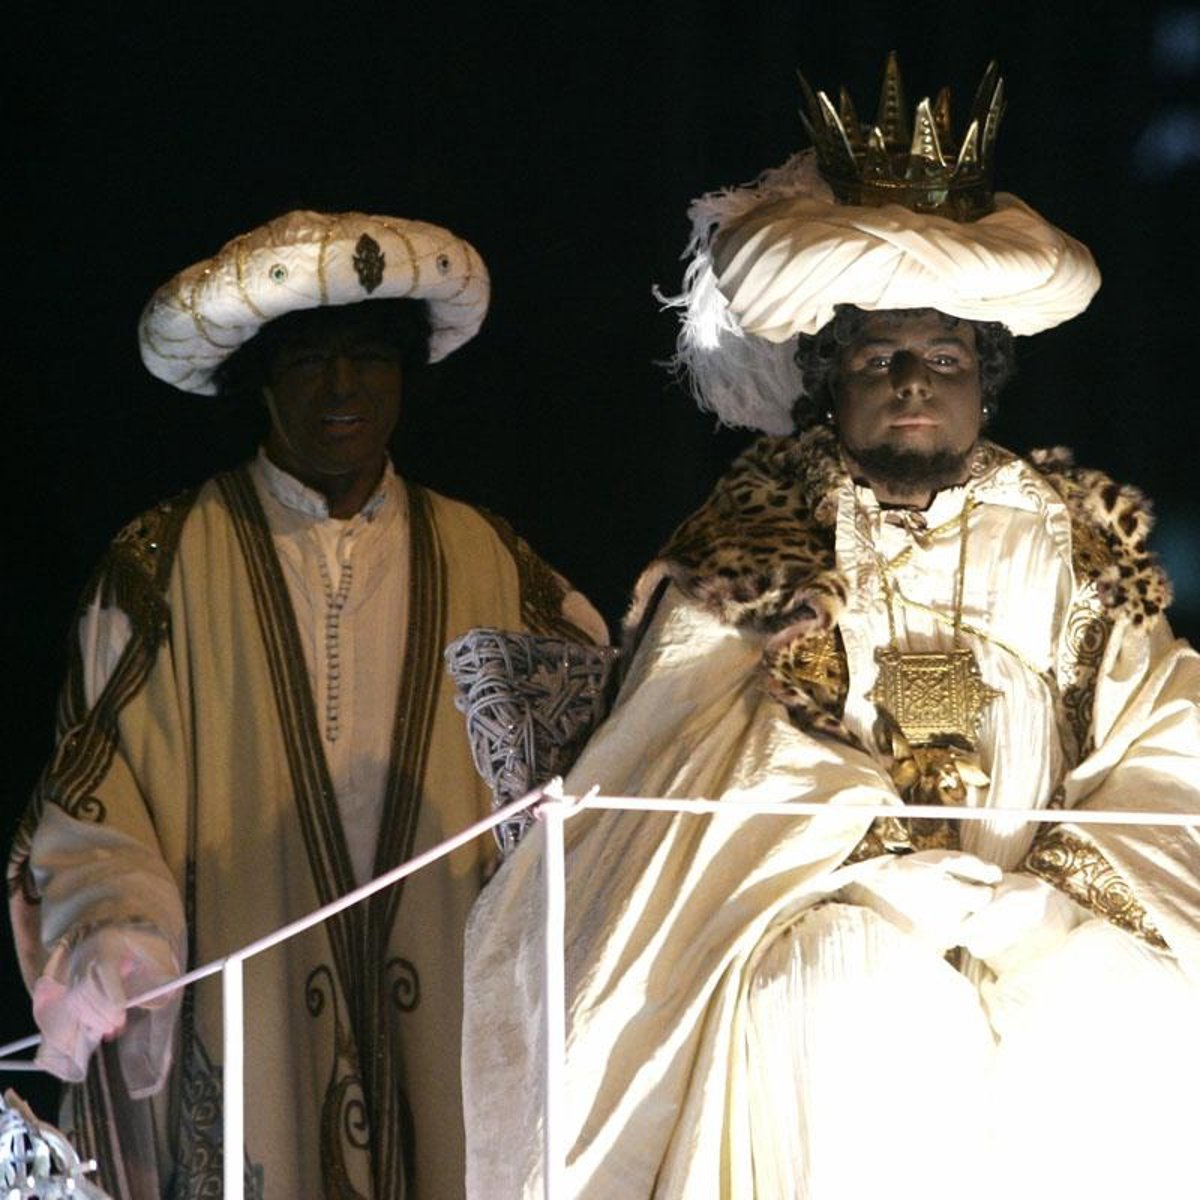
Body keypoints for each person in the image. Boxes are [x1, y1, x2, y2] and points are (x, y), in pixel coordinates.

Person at [461, 58, 1200, 1199]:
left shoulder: (1072, 542)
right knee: (854, 989)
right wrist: (870, 863)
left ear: (985, 382)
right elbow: (693, 759)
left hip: (1037, 905)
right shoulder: (752, 540)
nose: (913, 384)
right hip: (819, 903)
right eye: (878, 359)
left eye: (944, 360)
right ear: (830, 382)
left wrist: (1049, 902)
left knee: (1132, 1007)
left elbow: (1165, 740)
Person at [8, 209, 606, 1199]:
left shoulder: (491, 560)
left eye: (369, 358)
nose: (342, 390)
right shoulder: (164, 564)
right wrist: (118, 932)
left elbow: (595, 761)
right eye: (308, 362)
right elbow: (96, 795)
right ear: (260, 382)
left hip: (447, 1005)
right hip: (244, 1009)